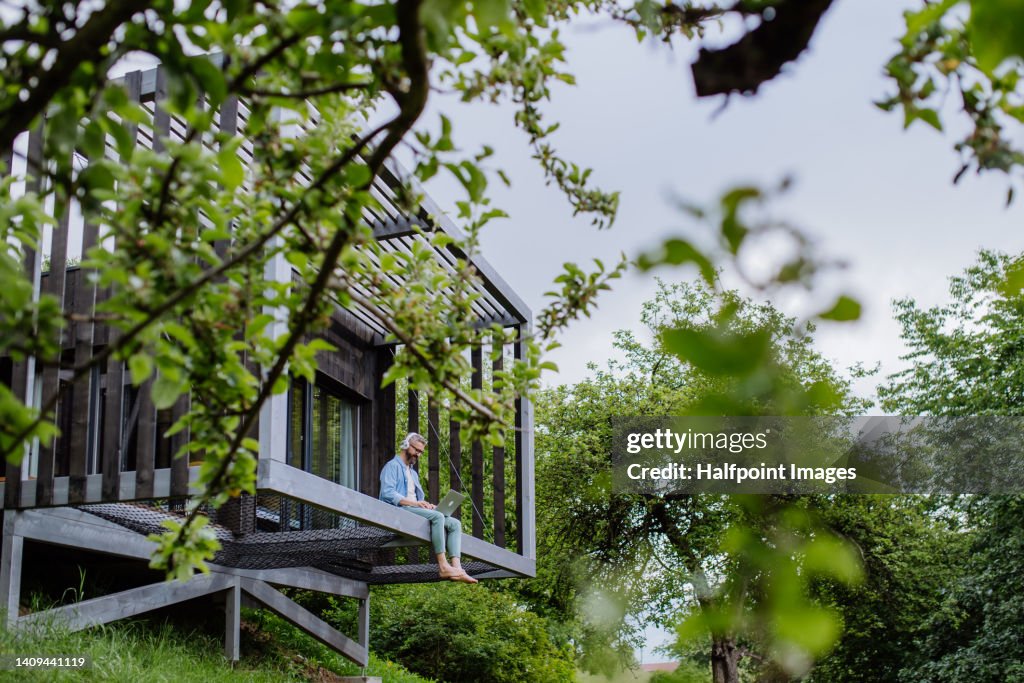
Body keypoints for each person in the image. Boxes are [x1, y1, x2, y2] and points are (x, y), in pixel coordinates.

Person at [379, 432, 478, 584]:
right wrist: (416, 504)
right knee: (438, 517)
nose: (418, 455)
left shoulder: (412, 473)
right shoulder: (392, 466)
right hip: (398, 512)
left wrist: (426, 505)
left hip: (413, 510)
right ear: (406, 445)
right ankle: (443, 566)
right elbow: (387, 493)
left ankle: (457, 568)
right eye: (416, 450)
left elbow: (416, 500)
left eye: (421, 452)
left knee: (454, 524)